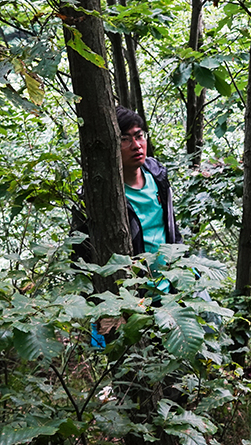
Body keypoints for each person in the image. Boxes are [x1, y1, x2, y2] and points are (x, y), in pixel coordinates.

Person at [73, 106, 183, 344]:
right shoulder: (96, 195)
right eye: (125, 139)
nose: (136, 145)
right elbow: (81, 255)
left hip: (168, 292)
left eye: (139, 136)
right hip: (128, 298)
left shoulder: (158, 176)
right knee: (127, 358)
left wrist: (183, 269)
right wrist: (99, 305)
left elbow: (171, 228)